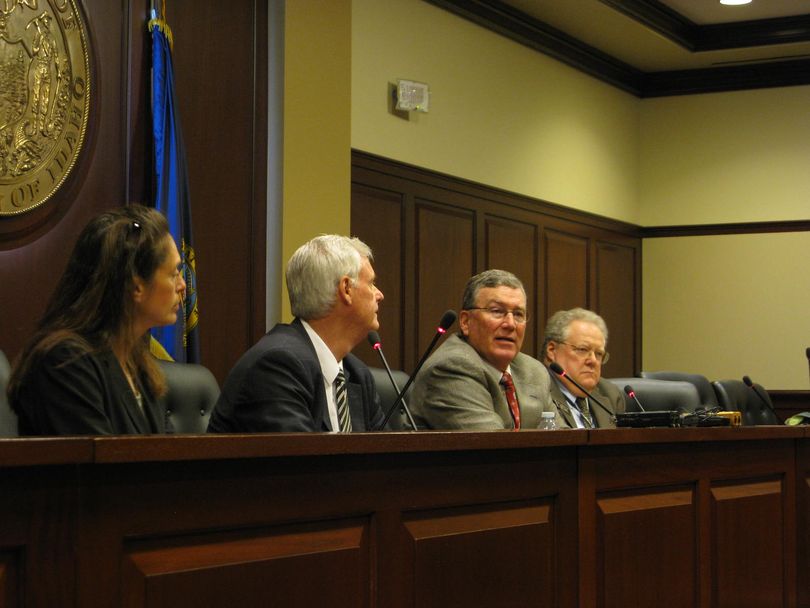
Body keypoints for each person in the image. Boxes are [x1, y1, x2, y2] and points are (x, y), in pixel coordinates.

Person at [7, 204, 186, 435]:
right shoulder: (65, 363)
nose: (182, 285)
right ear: (136, 286)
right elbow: (97, 467)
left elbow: (169, 458)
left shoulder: (138, 363)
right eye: (173, 274)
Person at [208, 235, 386, 433]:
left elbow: (389, 455)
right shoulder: (277, 366)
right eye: (371, 283)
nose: (379, 294)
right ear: (346, 289)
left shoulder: (357, 374)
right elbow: (302, 461)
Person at [410, 269, 553, 430]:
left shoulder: (534, 371)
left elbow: (564, 440)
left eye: (519, 314)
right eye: (497, 311)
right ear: (465, 322)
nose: (511, 324)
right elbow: (493, 447)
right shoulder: (451, 367)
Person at [541, 308, 625, 428]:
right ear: (552, 350)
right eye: (582, 350)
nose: (593, 361)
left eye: (599, 354)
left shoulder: (611, 394)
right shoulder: (537, 392)